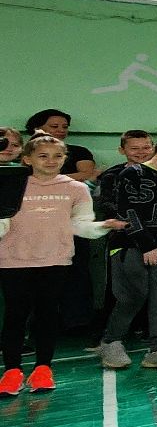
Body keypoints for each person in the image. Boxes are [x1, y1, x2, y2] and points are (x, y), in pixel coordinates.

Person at [0, 135, 122, 395]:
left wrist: (102, 226)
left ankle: (43, 369)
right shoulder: (12, 183)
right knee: (15, 315)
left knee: (47, 314)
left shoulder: (75, 188)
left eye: (57, 156)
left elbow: (80, 224)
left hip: (55, 259)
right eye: (43, 156)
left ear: (65, 159)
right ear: (27, 159)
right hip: (12, 260)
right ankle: (11, 371)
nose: (51, 161)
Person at [95, 129, 157, 371]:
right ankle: (112, 341)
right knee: (132, 296)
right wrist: (147, 244)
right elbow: (126, 211)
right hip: (130, 245)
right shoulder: (131, 173)